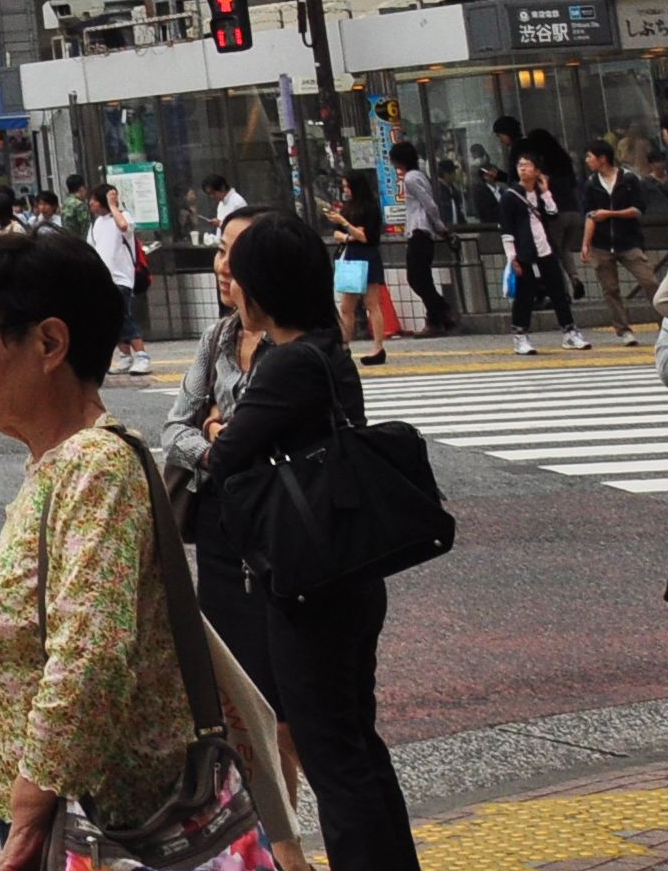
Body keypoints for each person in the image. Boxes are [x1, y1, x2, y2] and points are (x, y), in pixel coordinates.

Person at [0, 227, 201, 871]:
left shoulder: (96, 465)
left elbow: (90, 654)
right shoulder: (57, 464)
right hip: (61, 808)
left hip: (90, 820)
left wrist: (31, 819)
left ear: (49, 342)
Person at [195, 215, 420, 871]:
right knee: (353, 744)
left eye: (240, 273)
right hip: (346, 574)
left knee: (332, 753)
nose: (231, 284)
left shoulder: (290, 362)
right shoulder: (326, 346)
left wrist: (215, 425)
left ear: (263, 290)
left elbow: (228, 454)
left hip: (310, 586)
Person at [503, 148, 588, 353]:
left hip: (546, 250)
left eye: (527, 165)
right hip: (525, 253)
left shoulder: (541, 194)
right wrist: (511, 257)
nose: (523, 169)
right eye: (520, 165)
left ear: (537, 170)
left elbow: (552, 214)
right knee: (525, 295)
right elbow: (506, 228)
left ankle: (569, 332)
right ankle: (520, 335)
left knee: (558, 292)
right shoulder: (510, 196)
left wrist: (546, 191)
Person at [581, 138, 662, 344]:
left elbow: (637, 210)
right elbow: (590, 215)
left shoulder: (628, 179)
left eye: (590, 156)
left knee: (650, 281)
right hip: (601, 243)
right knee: (611, 289)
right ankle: (624, 330)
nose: (587, 160)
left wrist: (610, 214)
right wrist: (586, 243)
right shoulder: (591, 184)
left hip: (628, 241)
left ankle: (666, 323)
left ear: (602, 158)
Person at [84, 186, 151, 378]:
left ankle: (141, 355)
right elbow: (92, 248)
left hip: (121, 278)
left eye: (95, 200)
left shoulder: (123, 217)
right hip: (103, 278)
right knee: (112, 318)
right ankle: (125, 356)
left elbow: (124, 227)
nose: (91, 204)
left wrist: (114, 205)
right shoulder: (96, 223)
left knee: (123, 315)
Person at [326, 166, 390, 365]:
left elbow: (365, 236)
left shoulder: (369, 208)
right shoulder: (347, 208)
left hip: (367, 255)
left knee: (372, 303)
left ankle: (378, 346)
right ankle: (345, 345)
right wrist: (347, 233)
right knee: (346, 306)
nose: (345, 190)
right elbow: (337, 234)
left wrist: (345, 225)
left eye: (347, 186)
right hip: (351, 255)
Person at [395, 145, 451, 337]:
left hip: (419, 231)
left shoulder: (410, 179)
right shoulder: (419, 176)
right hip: (423, 232)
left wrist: (440, 226)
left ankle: (440, 313)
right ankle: (440, 315)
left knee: (416, 278)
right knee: (423, 278)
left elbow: (429, 203)